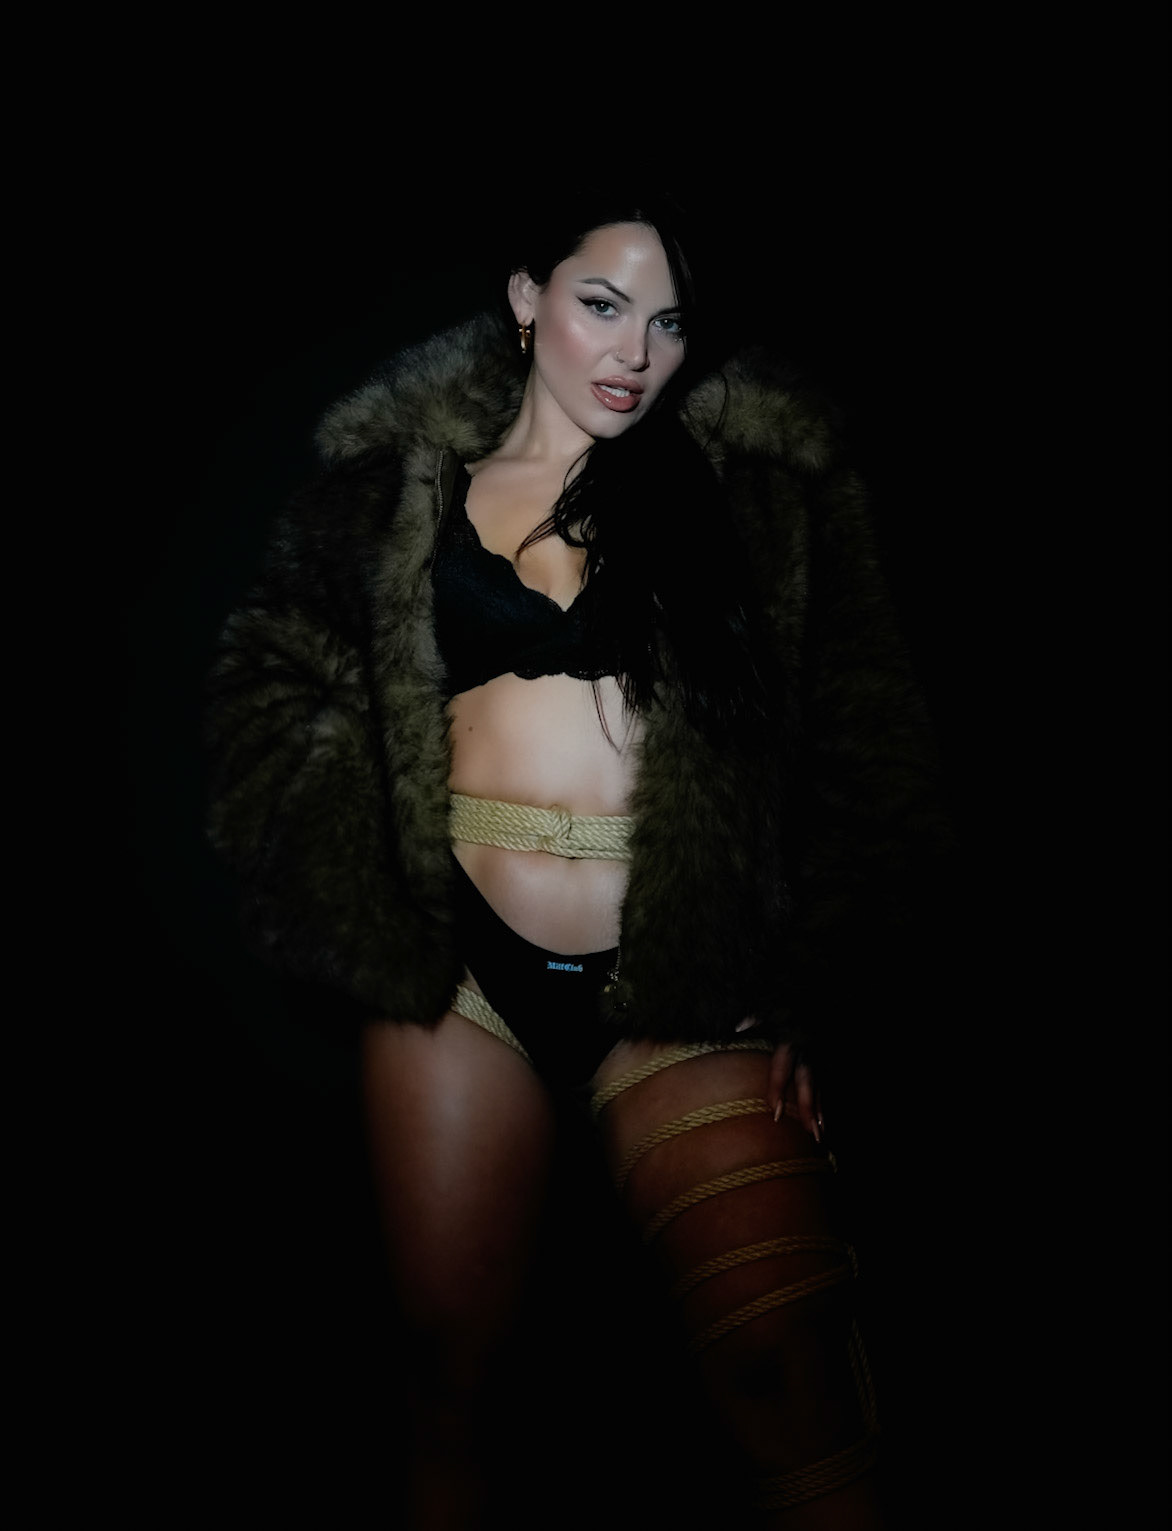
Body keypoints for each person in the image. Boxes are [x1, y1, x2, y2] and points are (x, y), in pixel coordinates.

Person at [205, 192, 945, 1528]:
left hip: (684, 973)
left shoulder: (758, 484)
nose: (634, 353)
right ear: (525, 297)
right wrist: (364, 888)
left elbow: (866, 739)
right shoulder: (391, 486)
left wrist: (811, 973)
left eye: (668, 322)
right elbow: (266, 697)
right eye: (602, 305)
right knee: (450, 1382)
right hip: (459, 983)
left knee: (788, 1366)